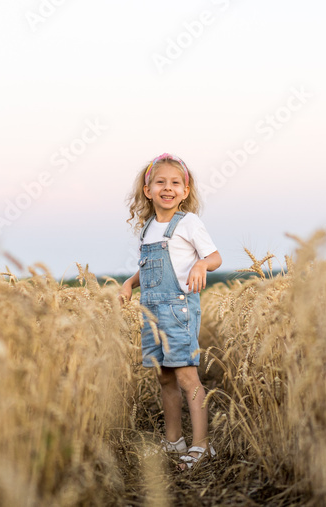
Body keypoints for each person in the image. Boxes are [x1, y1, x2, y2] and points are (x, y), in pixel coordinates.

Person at [119, 153, 223, 470]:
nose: (168, 187)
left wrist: (202, 264)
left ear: (186, 190)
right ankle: (173, 441)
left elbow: (215, 257)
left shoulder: (188, 222)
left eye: (175, 183)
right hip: (151, 310)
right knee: (164, 377)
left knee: (186, 375)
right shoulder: (148, 228)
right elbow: (148, 267)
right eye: (160, 182)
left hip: (178, 308)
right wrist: (129, 283)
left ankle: (202, 446)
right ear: (147, 190)